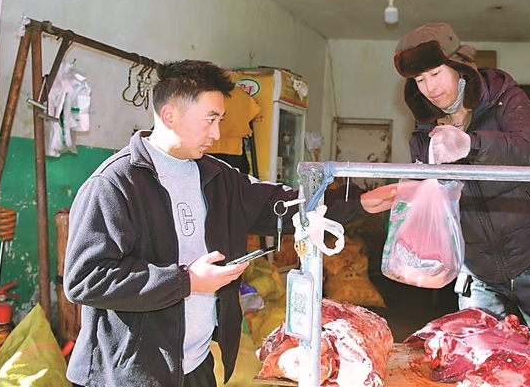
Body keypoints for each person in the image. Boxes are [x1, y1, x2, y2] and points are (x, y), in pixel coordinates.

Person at [63, 60, 396, 387]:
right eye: (210, 120)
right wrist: (186, 281)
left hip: (195, 364)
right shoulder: (114, 185)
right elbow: (85, 279)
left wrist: (359, 204)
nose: (217, 133)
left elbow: (281, 205)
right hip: (128, 374)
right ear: (169, 115)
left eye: (219, 120)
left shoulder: (216, 176)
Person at [392, 22, 530, 346]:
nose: (430, 87)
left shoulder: (503, 97)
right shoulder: (425, 129)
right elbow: (432, 194)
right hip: (477, 269)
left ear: (458, 66)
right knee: (479, 358)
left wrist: (470, 144)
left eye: (435, 73)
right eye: (419, 80)